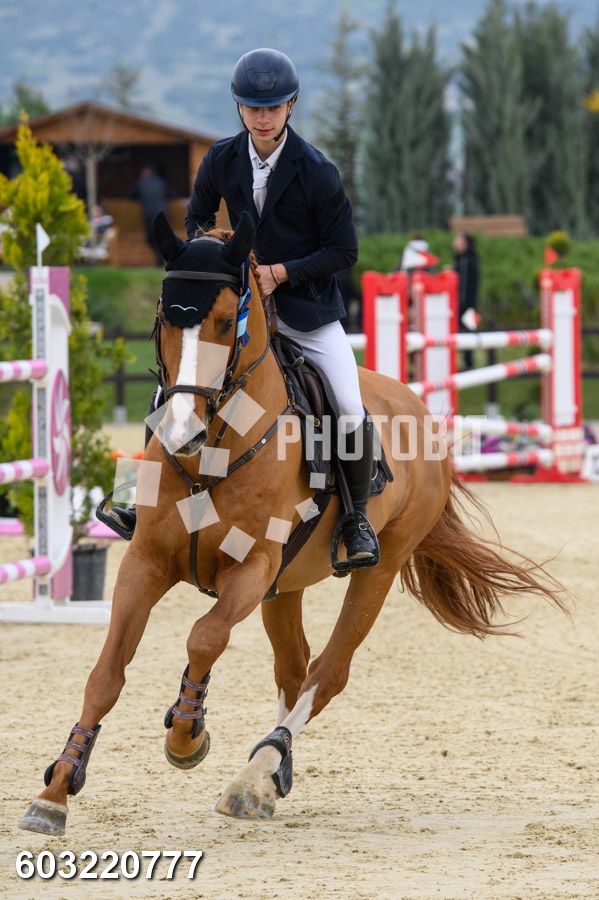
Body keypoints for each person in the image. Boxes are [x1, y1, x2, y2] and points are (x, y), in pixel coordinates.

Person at [106, 48, 378, 566]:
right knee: (171, 388)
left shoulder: (318, 171)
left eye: (273, 107)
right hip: (236, 311)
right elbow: (196, 221)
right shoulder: (220, 158)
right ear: (239, 107)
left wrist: (281, 273)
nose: (262, 116)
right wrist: (216, 254)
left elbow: (344, 251)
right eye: (253, 107)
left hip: (305, 312)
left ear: (291, 105)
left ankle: (356, 518)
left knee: (346, 403)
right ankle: (139, 499)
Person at [131, 165, 176, 265]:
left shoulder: (141, 183)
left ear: (144, 173)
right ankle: (164, 259)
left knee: (151, 238)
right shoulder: (161, 181)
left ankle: (161, 259)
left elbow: (132, 197)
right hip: (163, 213)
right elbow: (172, 195)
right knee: (164, 237)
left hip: (149, 214)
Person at [453, 232, 480, 369]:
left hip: (464, 304)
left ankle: (467, 364)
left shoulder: (465, 260)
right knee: (468, 333)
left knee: (465, 333)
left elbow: (463, 284)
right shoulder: (472, 258)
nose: (454, 242)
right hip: (471, 303)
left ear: (465, 244)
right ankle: (469, 364)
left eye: (458, 240)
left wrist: (460, 304)